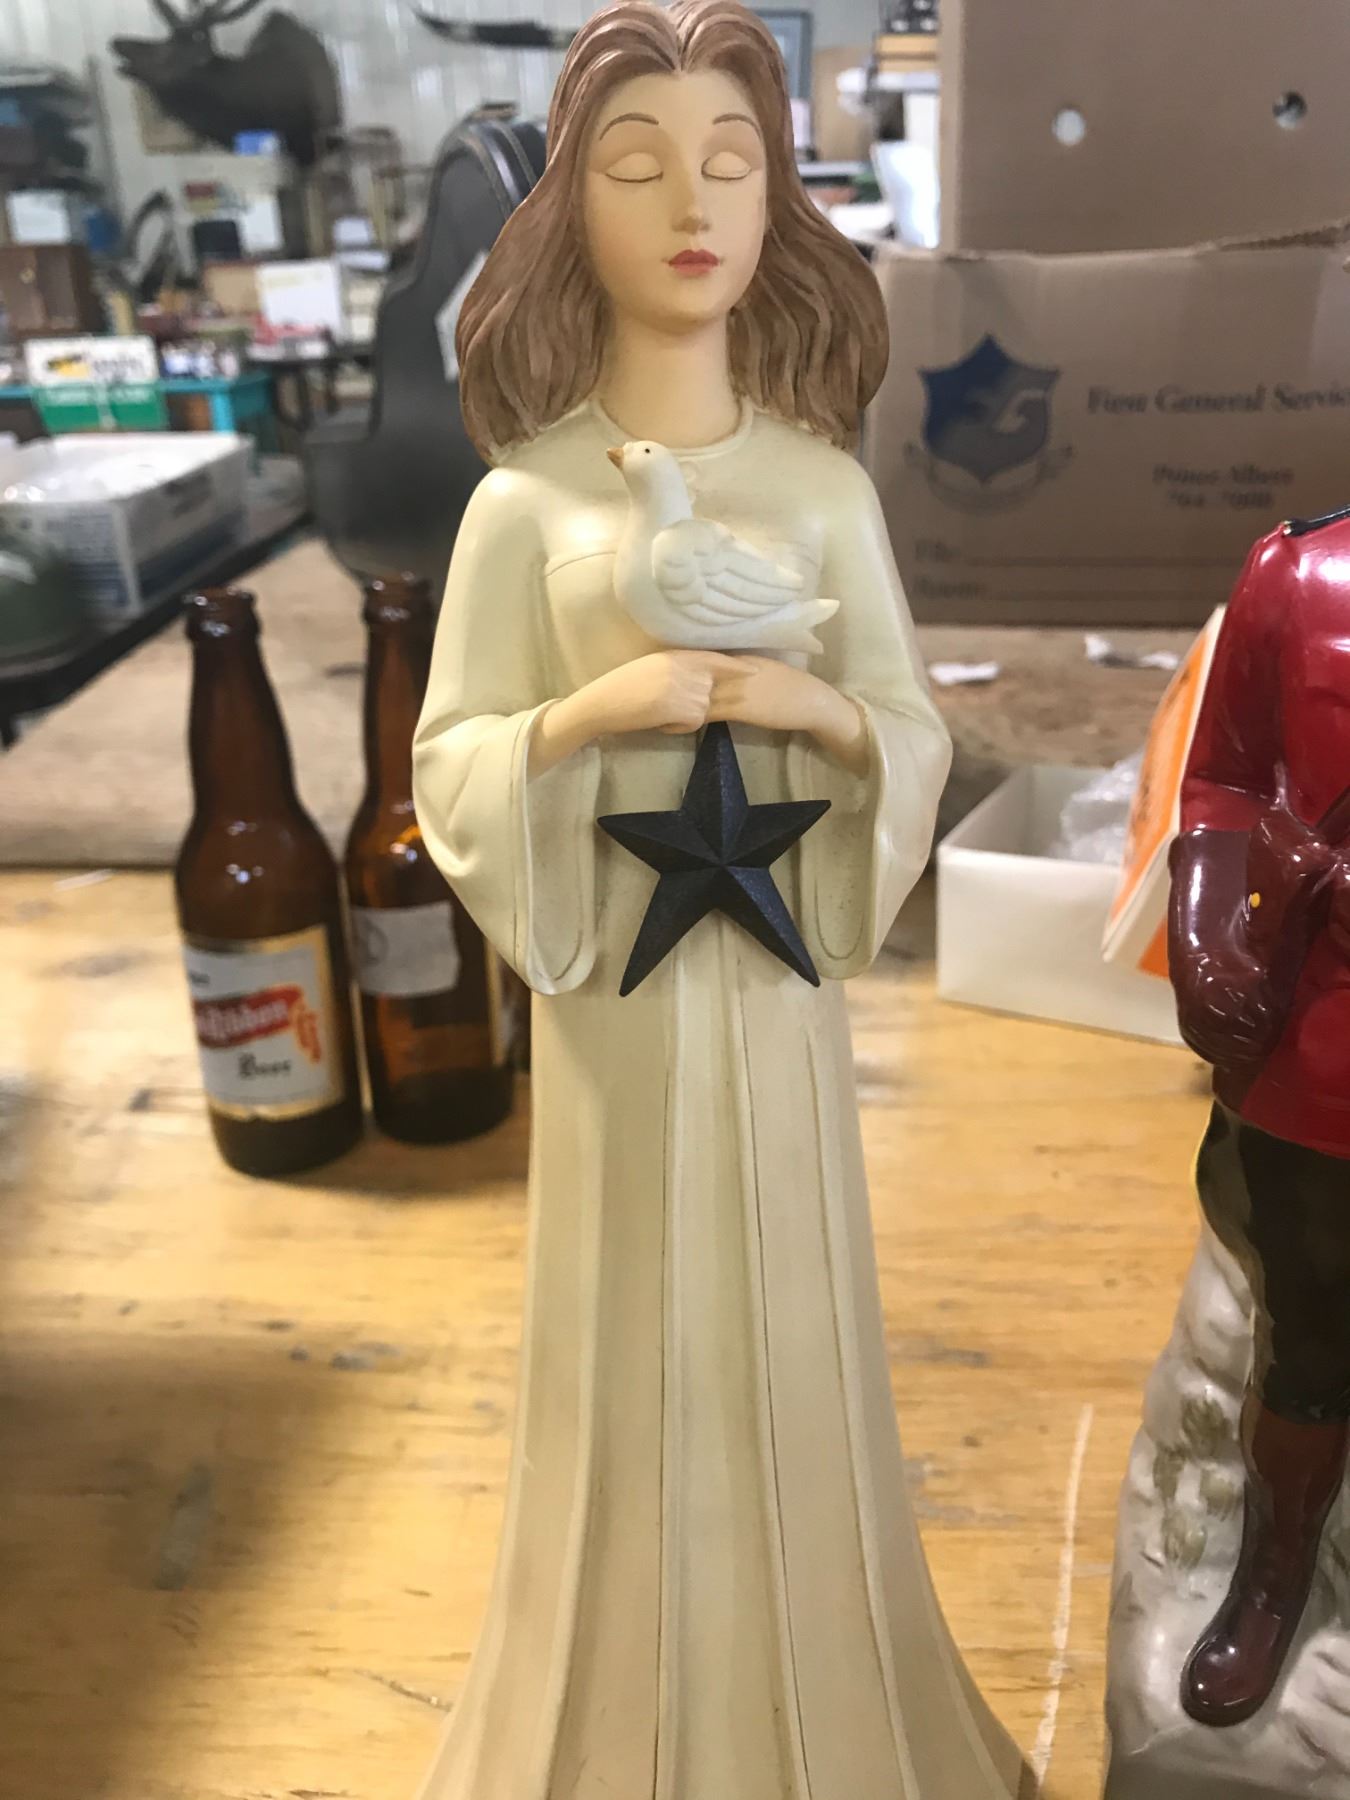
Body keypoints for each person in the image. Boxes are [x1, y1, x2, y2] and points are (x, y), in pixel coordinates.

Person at [410, 3, 1025, 1793]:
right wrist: (581, 719)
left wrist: (818, 713)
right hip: (613, 1020)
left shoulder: (820, 484)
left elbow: (907, 724)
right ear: (567, 208)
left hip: (773, 1015)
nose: (691, 203)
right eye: (637, 164)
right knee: (626, 1354)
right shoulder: (521, 506)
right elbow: (451, 759)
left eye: (731, 163)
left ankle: (846, 1719)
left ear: (778, 203)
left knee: (791, 1328)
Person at [1170, 502, 1350, 1728]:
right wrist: (1207, 937)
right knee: (1313, 1330)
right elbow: (1224, 780)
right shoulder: (1298, 572)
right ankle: (1276, 1571)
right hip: (1323, 1042)